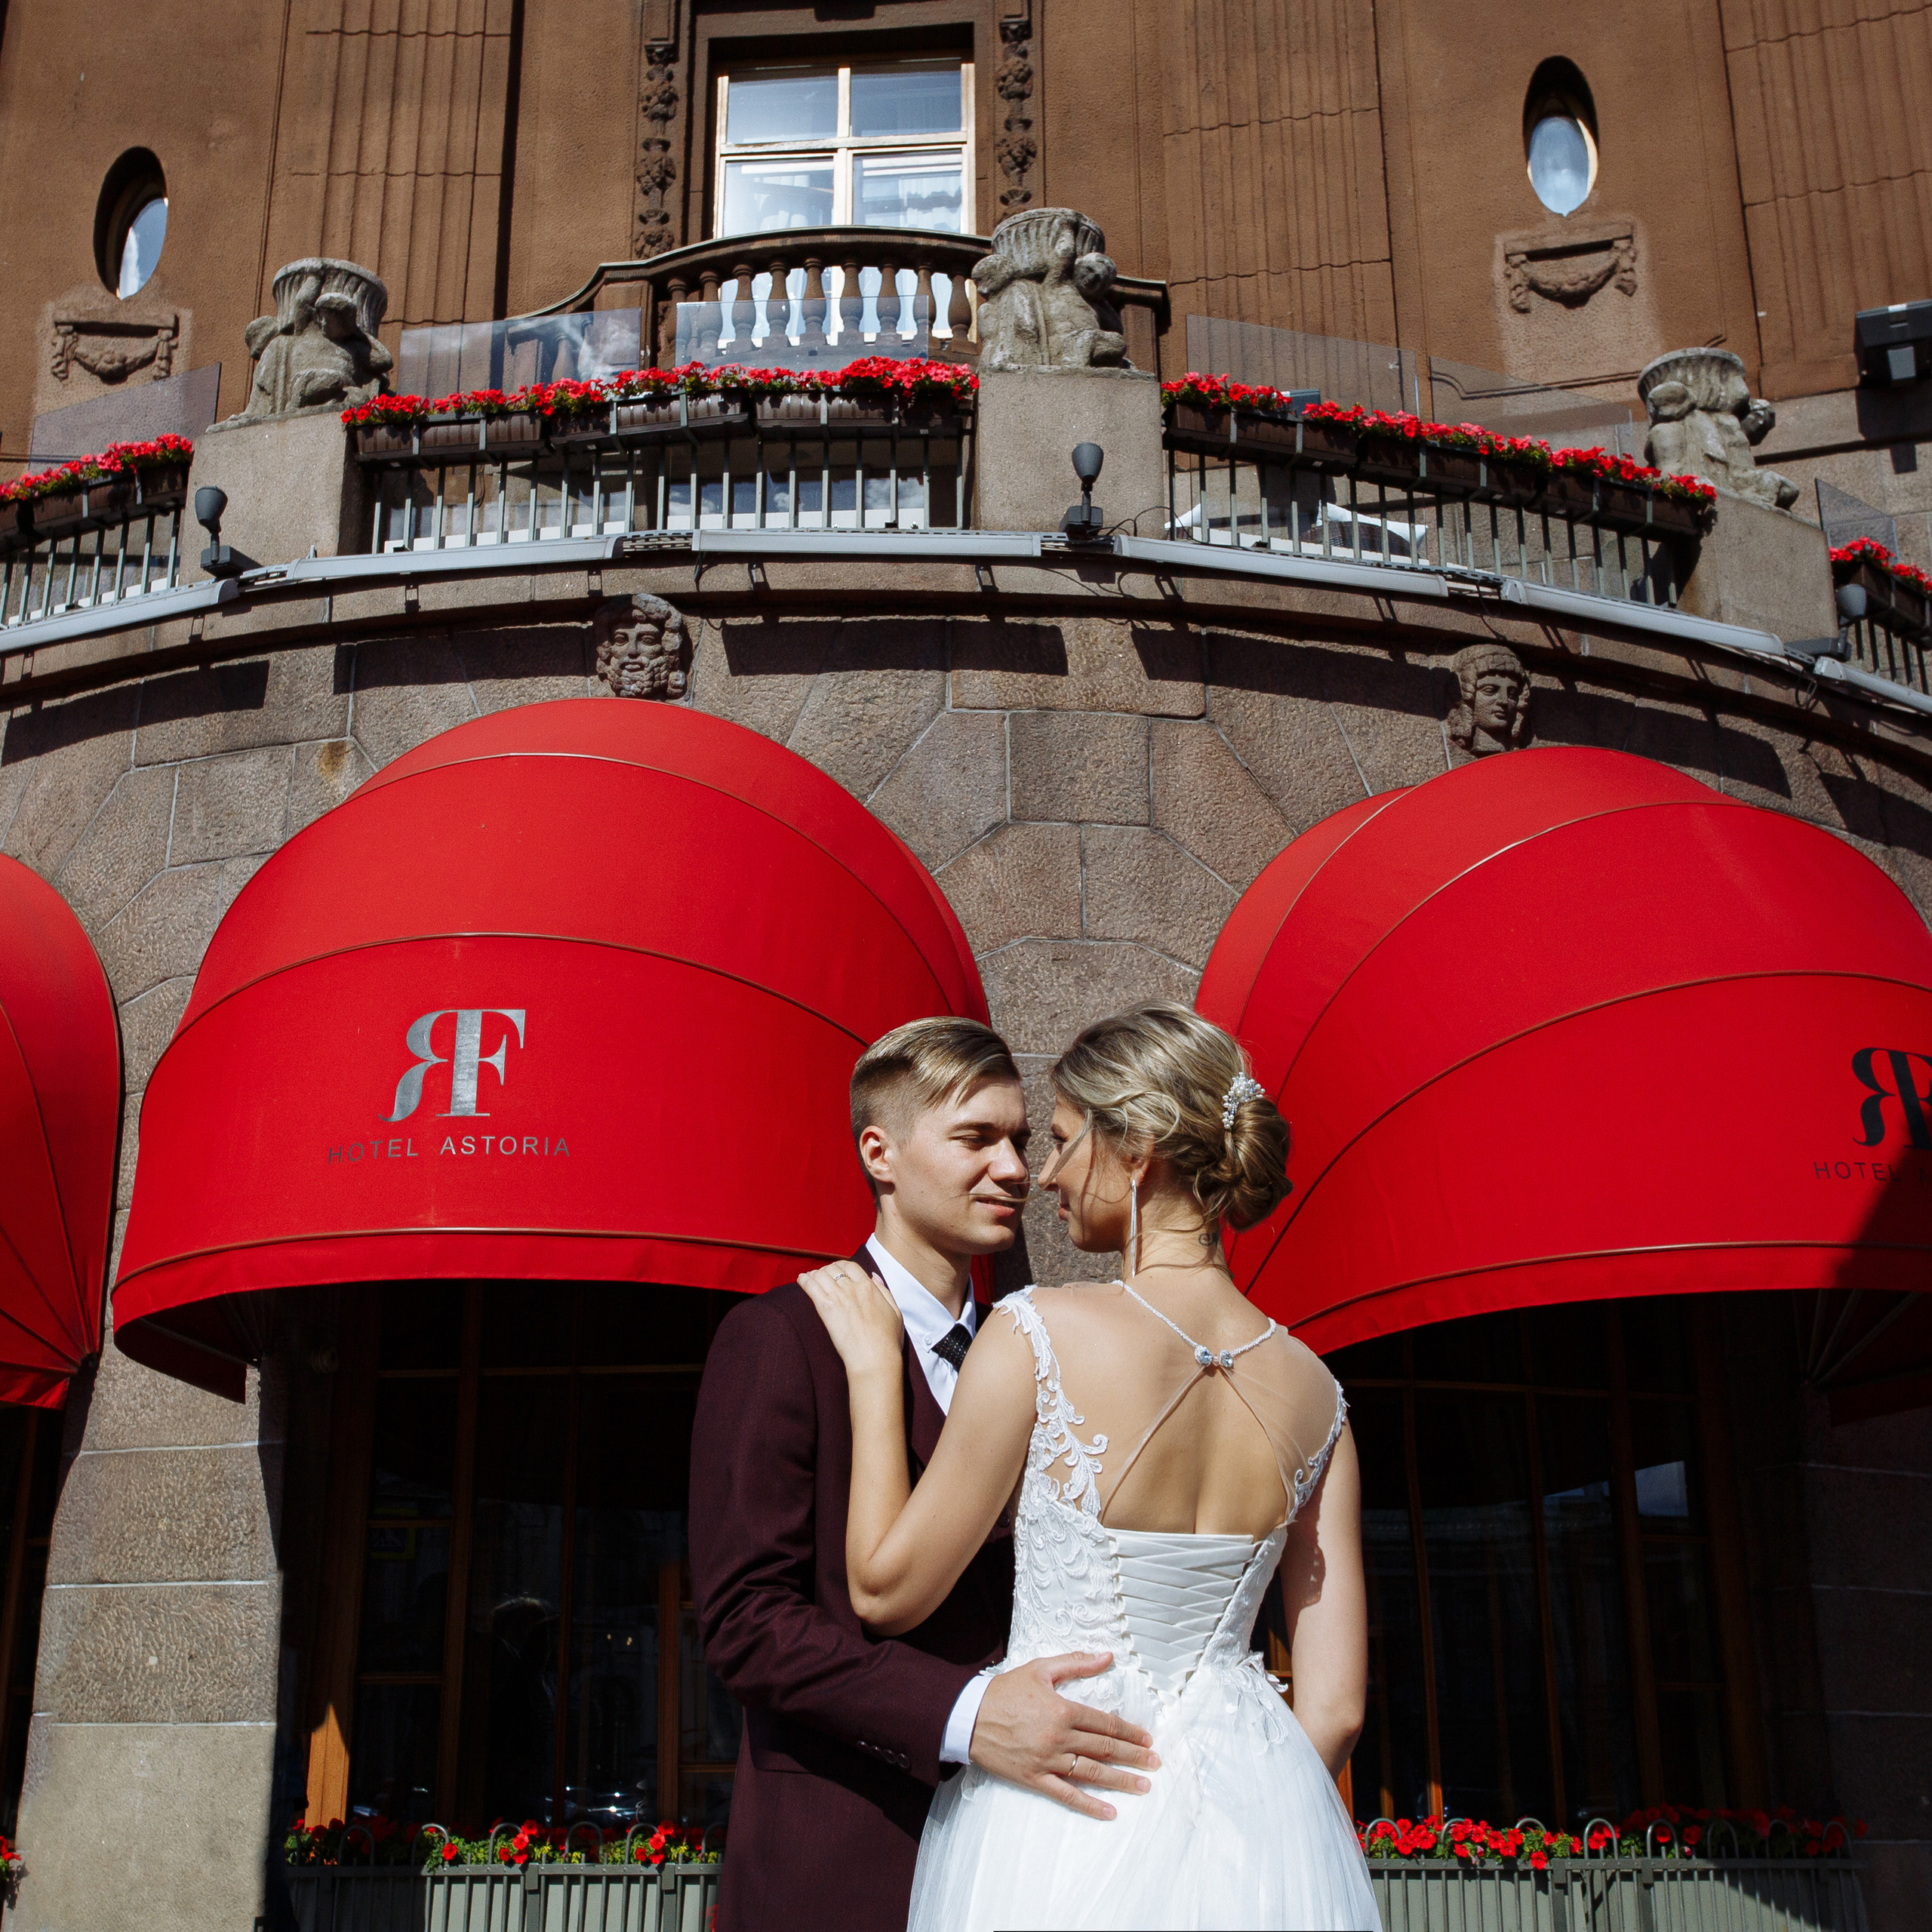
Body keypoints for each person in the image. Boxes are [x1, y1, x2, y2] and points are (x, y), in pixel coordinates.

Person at [801, 1002, 1380, 1931]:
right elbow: (1338, 1705)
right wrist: (1245, 1834)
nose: (1047, 1176)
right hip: (1253, 1830)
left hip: (1061, 1813)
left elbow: (883, 1589)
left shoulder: (1035, 1332)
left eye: (1065, 1140)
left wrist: (875, 1375)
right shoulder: (1319, 1393)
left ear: (1137, 1148)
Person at [690, 1017, 1161, 1932]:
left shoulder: (1039, 1354)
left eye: (1022, 1140)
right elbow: (747, 1624)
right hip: (843, 1858)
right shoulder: (779, 1340)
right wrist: (964, 1713)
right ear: (882, 1153)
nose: (1017, 1170)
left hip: (1034, 1855)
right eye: (975, 1138)